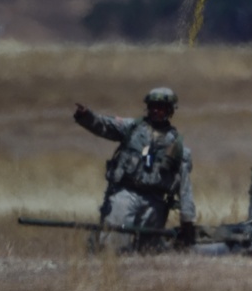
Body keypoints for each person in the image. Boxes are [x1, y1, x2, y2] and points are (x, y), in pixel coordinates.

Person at [74, 87, 196, 253]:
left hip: (155, 201)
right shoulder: (131, 128)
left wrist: (187, 221)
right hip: (126, 193)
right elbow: (105, 125)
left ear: (170, 110)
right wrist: (86, 116)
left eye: (161, 107)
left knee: (148, 252)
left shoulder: (178, 146)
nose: (156, 111)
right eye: (153, 106)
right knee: (112, 244)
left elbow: (185, 188)